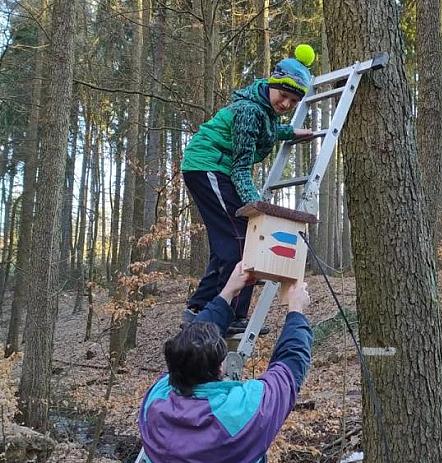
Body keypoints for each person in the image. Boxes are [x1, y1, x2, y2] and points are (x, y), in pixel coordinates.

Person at [181, 43, 316, 334]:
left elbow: (266, 131)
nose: (286, 105)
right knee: (242, 242)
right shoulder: (249, 110)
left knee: (233, 242)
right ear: (272, 84)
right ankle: (227, 316)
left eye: (293, 102)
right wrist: (260, 210)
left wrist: (291, 131)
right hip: (209, 166)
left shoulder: (264, 110)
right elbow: (241, 168)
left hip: (216, 167)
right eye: (283, 96)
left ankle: (200, 308)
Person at [138, 262, 312, 463]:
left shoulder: (155, 402)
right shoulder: (241, 410)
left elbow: (188, 344)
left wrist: (227, 293)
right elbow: (290, 366)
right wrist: (296, 309)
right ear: (221, 367)